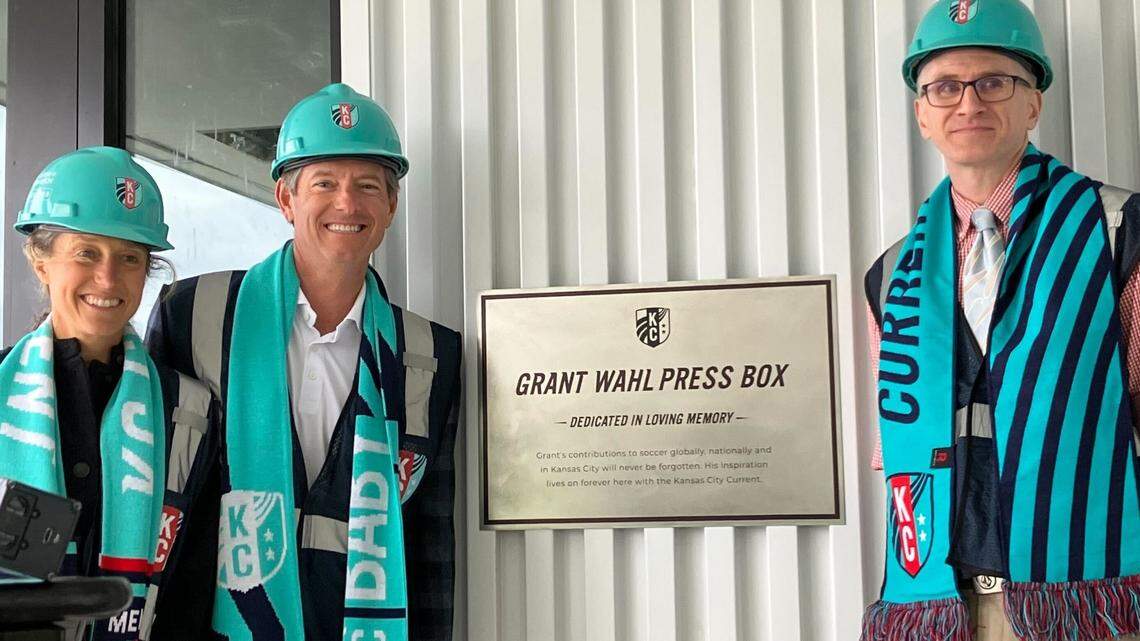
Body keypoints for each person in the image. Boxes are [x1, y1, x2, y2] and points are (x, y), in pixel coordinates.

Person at [861, 2, 1140, 640]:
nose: (969, 104)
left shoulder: (1118, 229)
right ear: (922, 114)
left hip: (1091, 603)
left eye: (994, 82)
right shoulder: (893, 274)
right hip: (946, 607)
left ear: (1033, 102)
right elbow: (894, 449)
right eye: (945, 87)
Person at [146, 83, 461, 641]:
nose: (347, 203)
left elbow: (429, 544)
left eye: (368, 185)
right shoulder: (193, 318)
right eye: (325, 183)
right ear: (286, 199)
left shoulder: (428, 356)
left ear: (390, 207)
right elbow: (155, 504)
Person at [0, 147, 219, 641]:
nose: (107, 278)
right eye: (87, 253)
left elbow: (192, 593)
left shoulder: (191, 413)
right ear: (41, 261)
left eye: (129, 258)